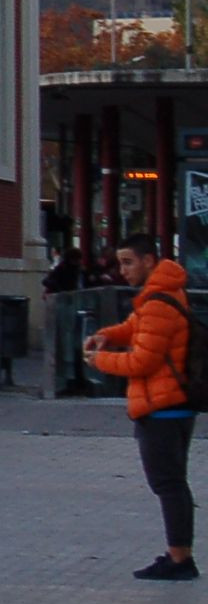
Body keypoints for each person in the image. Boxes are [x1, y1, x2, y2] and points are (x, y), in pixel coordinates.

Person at [85, 231, 195, 581]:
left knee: (168, 484)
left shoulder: (159, 301)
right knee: (171, 482)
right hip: (168, 404)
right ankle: (179, 555)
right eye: (120, 263)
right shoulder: (159, 296)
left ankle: (180, 559)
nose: (123, 270)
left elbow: (142, 362)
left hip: (162, 407)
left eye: (129, 262)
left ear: (149, 261)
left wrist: (100, 360)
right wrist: (109, 335)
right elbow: (135, 327)